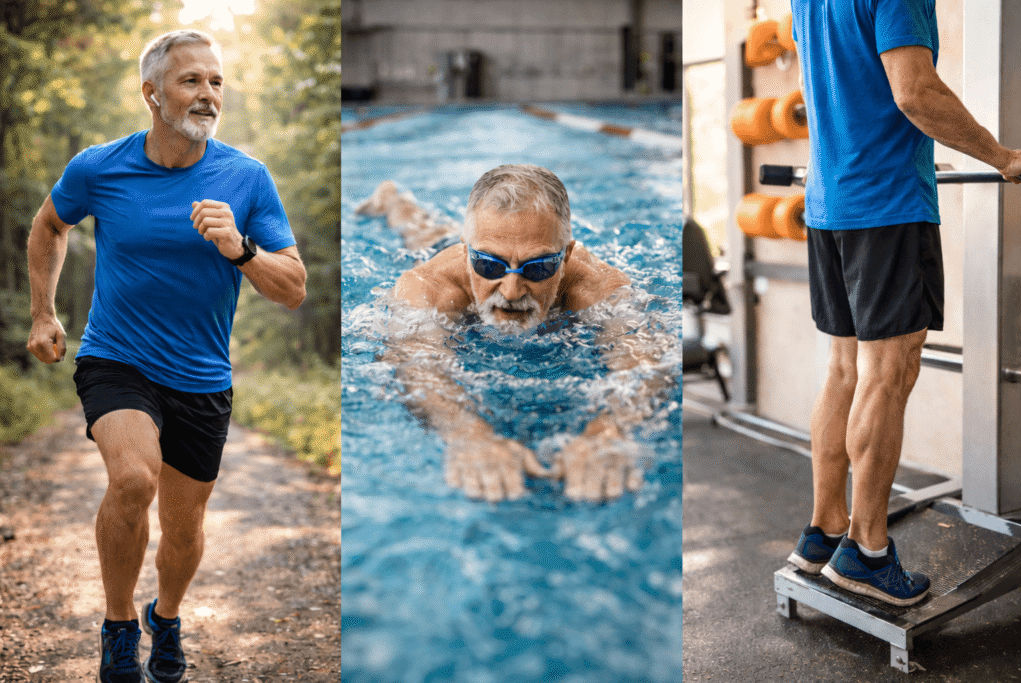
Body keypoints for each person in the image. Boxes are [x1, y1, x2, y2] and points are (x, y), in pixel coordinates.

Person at [25, 30, 306, 683]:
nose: (207, 93)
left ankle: (166, 614)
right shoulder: (100, 167)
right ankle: (120, 623)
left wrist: (239, 248)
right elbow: (49, 224)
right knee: (132, 480)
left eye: (216, 82)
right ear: (152, 94)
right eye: (191, 81)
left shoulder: (246, 177)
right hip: (116, 358)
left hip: (202, 377)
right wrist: (45, 310)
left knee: (184, 528)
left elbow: (293, 288)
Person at [786, 0, 1021, 606]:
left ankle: (824, 531)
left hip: (828, 203)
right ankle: (867, 552)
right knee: (887, 377)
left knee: (844, 372)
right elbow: (914, 91)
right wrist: (1003, 157)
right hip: (887, 208)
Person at [357, 164, 671, 504]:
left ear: (565, 256)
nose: (510, 290)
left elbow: (645, 365)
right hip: (442, 248)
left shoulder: (598, 285)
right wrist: (467, 433)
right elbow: (417, 367)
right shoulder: (429, 286)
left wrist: (609, 430)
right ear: (466, 253)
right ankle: (391, 199)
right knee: (419, 230)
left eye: (537, 268)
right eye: (489, 266)